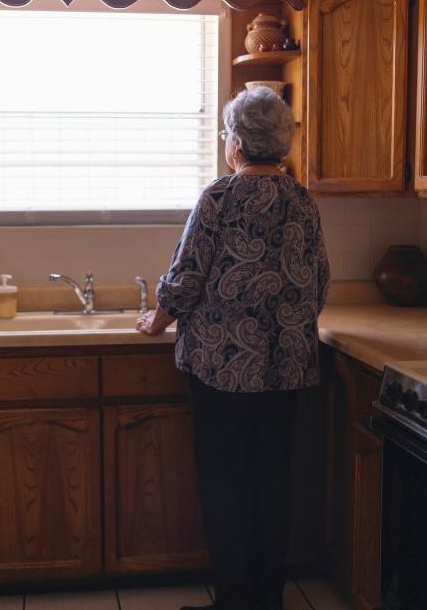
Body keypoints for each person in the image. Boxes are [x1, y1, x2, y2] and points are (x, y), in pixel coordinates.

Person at [137, 86, 330, 610]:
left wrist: (156, 320)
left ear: (239, 143)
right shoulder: (301, 199)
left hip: (222, 370)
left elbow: (186, 278)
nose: (227, 141)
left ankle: (233, 601)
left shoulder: (220, 196)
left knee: (226, 485)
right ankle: (268, 600)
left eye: (228, 132)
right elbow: (320, 281)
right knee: (273, 481)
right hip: (286, 369)